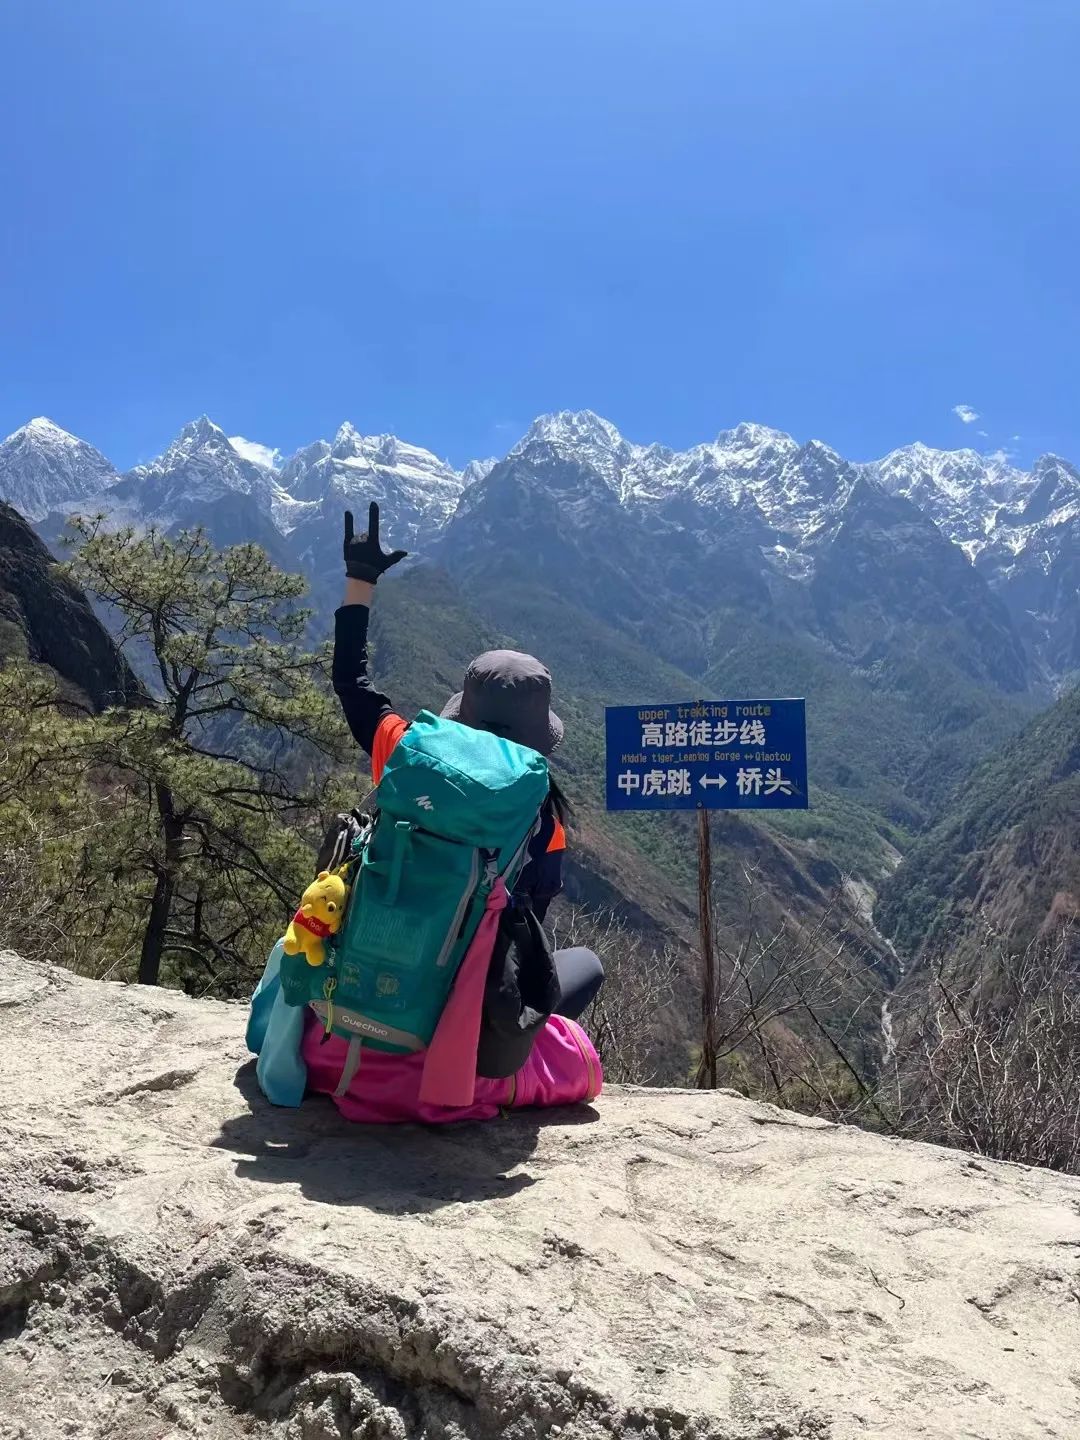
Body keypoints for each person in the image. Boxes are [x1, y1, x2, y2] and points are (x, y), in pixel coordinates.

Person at [330, 503, 604, 1078]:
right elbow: (528, 930)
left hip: (367, 981)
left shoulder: (407, 754)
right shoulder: (543, 816)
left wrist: (361, 580)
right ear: (539, 735)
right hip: (470, 1029)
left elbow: (352, 683)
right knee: (586, 966)